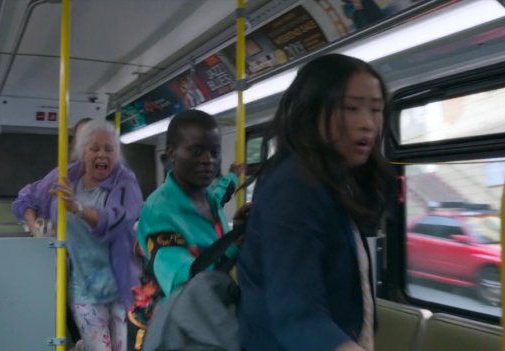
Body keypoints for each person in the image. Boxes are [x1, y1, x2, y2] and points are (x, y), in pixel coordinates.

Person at [238, 54, 395, 351]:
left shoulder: (333, 183)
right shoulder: (293, 186)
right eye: (350, 108)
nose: (367, 124)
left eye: (376, 109)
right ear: (312, 111)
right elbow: (297, 315)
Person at [13, 119, 143, 351]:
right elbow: (26, 199)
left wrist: (78, 208)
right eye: (92, 145)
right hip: (79, 284)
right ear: (80, 148)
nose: (100, 153)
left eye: (107, 147)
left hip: (118, 283)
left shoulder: (123, 181)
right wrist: (37, 233)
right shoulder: (63, 177)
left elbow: (116, 220)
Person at [129, 111, 245, 332]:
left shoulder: (207, 197)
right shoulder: (160, 211)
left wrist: (236, 232)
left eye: (214, 152)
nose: (208, 160)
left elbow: (220, 194)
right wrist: (233, 247)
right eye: (197, 151)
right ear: (172, 154)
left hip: (210, 316)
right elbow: (183, 283)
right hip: (174, 328)